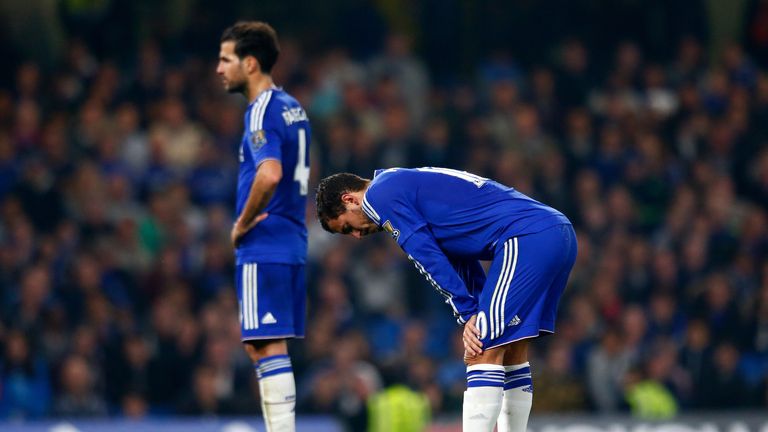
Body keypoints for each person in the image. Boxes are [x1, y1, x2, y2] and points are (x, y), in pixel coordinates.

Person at [316, 167, 577, 432]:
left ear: (349, 199)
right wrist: (475, 310)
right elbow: (460, 252)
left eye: (348, 226)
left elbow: (425, 255)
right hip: (556, 232)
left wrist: (467, 315)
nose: (357, 235)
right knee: (511, 350)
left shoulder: (378, 196)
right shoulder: (400, 183)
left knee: (480, 350)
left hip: (526, 237)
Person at [216, 21, 311, 431]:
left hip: (264, 242)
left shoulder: (260, 111)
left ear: (250, 64)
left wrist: (242, 222)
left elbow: (269, 174)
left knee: (265, 345)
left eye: (225, 59)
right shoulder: (293, 106)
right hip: (291, 240)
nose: (218, 68)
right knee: (269, 347)